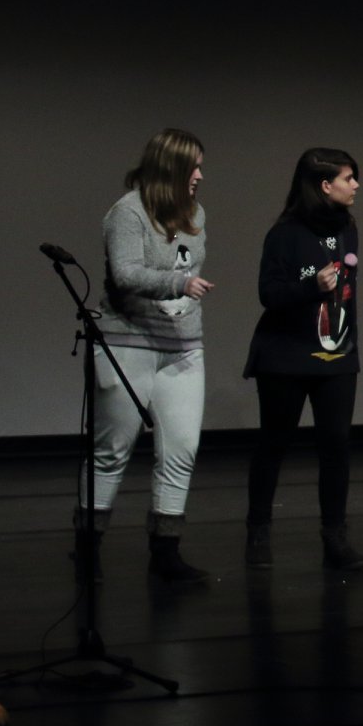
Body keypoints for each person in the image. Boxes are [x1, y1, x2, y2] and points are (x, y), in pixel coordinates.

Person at [87, 128, 213, 583]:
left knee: (182, 447)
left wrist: (184, 290)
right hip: (128, 341)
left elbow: (188, 265)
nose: (199, 176)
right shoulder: (128, 212)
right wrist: (178, 284)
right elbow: (125, 273)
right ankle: (88, 545)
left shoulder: (195, 213)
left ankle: (166, 550)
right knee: (112, 450)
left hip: (181, 345)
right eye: (193, 167)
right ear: (170, 168)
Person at [243, 148, 363, 570]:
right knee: (274, 443)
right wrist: (310, 286)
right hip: (286, 354)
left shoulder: (348, 228)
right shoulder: (285, 234)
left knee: (336, 445)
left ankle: (335, 537)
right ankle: (258, 531)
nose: (355, 185)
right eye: (348, 178)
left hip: (337, 353)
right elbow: (269, 293)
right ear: (324, 185)